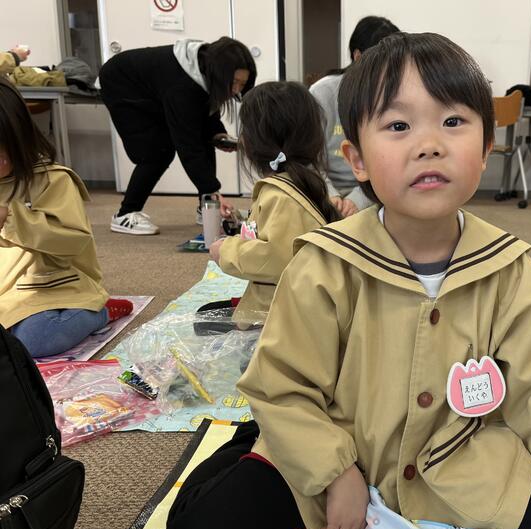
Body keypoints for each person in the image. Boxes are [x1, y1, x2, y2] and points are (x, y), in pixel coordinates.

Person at [164, 32, 531, 529]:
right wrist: (332, 471)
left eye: (452, 122)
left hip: (453, 457)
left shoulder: (508, 269)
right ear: (357, 158)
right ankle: (250, 441)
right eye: (399, 126)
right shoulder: (325, 264)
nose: (429, 144)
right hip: (336, 443)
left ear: (486, 146)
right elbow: (282, 385)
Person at [0, 79, 131, 357]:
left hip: (51, 286)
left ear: (19, 140)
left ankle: (100, 312)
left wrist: (14, 218)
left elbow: (73, 241)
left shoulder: (53, 179)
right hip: (5, 292)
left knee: (36, 339)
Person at [206, 81, 342, 326]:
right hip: (289, 306)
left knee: (204, 328)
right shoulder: (295, 183)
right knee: (208, 314)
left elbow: (276, 257)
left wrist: (225, 250)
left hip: (282, 320)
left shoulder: (280, 195)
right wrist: (240, 219)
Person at [99, 37, 256, 235]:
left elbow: (205, 109)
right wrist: (213, 190)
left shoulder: (206, 69)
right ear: (220, 73)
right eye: (233, 82)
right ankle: (125, 214)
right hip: (122, 84)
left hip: (153, 87)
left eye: (242, 84)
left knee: (204, 138)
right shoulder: (181, 86)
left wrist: (217, 132)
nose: (236, 90)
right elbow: (187, 144)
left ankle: (207, 207)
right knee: (158, 152)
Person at [309, 15, 399, 215]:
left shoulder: (394, 96)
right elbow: (306, 156)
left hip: (374, 190)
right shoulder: (323, 92)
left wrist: (359, 199)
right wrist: (329, 194)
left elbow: (394, 159)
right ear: (358, 56)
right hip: (323, 188)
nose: (388, 72)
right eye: (381, 62)